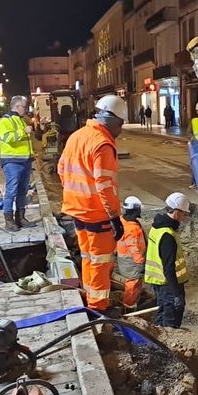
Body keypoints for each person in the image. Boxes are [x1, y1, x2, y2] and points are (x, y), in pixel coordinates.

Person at [58, 95, 128, 315]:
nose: (120, 130)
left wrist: (76, 195)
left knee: (88, 257)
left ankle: (90, 298)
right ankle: (98, 308)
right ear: (111, 119)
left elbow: (61, 169)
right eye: (120, 124)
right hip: (97, 214)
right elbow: (104, 186)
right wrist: (114, 217)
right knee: (101, 261)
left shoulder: (77, 136)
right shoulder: (102, 143)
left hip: (76, 210)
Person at [145, 192, 192, 328]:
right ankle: (168, 340)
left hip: (159, 282)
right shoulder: (167, 235)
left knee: (163, 313)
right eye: (183, 214)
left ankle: (157, 337)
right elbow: (169, 267)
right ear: (176, 212)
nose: (183, 218)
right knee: (171, 319)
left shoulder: (157, 227)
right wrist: (177, 294)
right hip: (168, 284)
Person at [0, 96, 37, 232]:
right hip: (12, 161)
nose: (25, 110)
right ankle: (9, 221)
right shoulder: (5, 120)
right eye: (24, 107)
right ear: (17, 106)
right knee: (11, 191)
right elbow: (7, 138)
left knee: (22, 191)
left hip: (25, 161)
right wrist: (23, 131)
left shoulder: (20, 120)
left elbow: (26, 140)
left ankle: (20, 218)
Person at [116, 196, 147, 310]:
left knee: (134, 282)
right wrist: (140, 262)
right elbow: (133, 247)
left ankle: (133, 300)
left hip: (126, 259)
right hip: (131, 261)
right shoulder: (131, 229)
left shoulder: (123, 221)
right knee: (133, 283)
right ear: (135, 210)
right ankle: (129, 305)